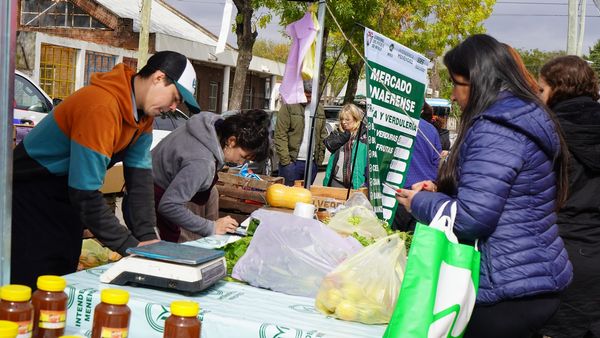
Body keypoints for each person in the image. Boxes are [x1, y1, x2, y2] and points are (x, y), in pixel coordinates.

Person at [395, 34, 572, 337]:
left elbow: (471, 219)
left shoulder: (495, 129)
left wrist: (419, 203)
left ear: (478, 81)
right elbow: (510, 194)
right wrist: (442, 191)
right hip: (533, 275)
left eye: (455, 83)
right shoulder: (524, 116)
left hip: (507, 287)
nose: (451, 95)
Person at [11, 50, 201, 288]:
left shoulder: (142, 119)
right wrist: (128, 246)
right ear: (159, 78)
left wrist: (149, 240)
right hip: (29, 193)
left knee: (61, 280)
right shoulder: (101, 105)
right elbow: (85, 193)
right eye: (174, 98)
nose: (174, 107)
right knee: (29, 285)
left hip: (65, 197)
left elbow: (140, 184)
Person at [537, 55, 600, 338]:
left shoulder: (548, 133)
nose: (539, 97)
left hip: (558, 256)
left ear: (558, 89)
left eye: (541, 89)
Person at [152, 109, 270, 242]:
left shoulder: (210, 128)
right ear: (231, 141)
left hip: (155, 191)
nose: (242, 162)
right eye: (243, 156)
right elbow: (169, 206)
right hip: (148, 207)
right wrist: (211, 227)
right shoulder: (202, 161)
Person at [392, 101, 442, 232]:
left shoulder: (390, 126)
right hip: (423, 198)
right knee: (417, 246)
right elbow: (438, 163)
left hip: (397, 196)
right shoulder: (431, 130)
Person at [274, 80, 327, 186]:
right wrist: (286, 161)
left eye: (311, 96)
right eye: (306, 96)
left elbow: (322, 135)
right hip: (292, 163)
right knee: (287, 197)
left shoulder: (319, 109)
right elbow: (280, 134)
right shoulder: (289, 106)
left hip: (312, 163)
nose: (308, 99)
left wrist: (318, 160)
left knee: (305, 197)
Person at [322, 103, 367, 189]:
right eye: (342, 119)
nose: (343, 122)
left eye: (347, 119)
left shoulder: (364, 135)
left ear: (356, 119)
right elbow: (329, 144)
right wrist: (343, 137)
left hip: (357, 183)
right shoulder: (338, 133)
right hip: (336, 182)